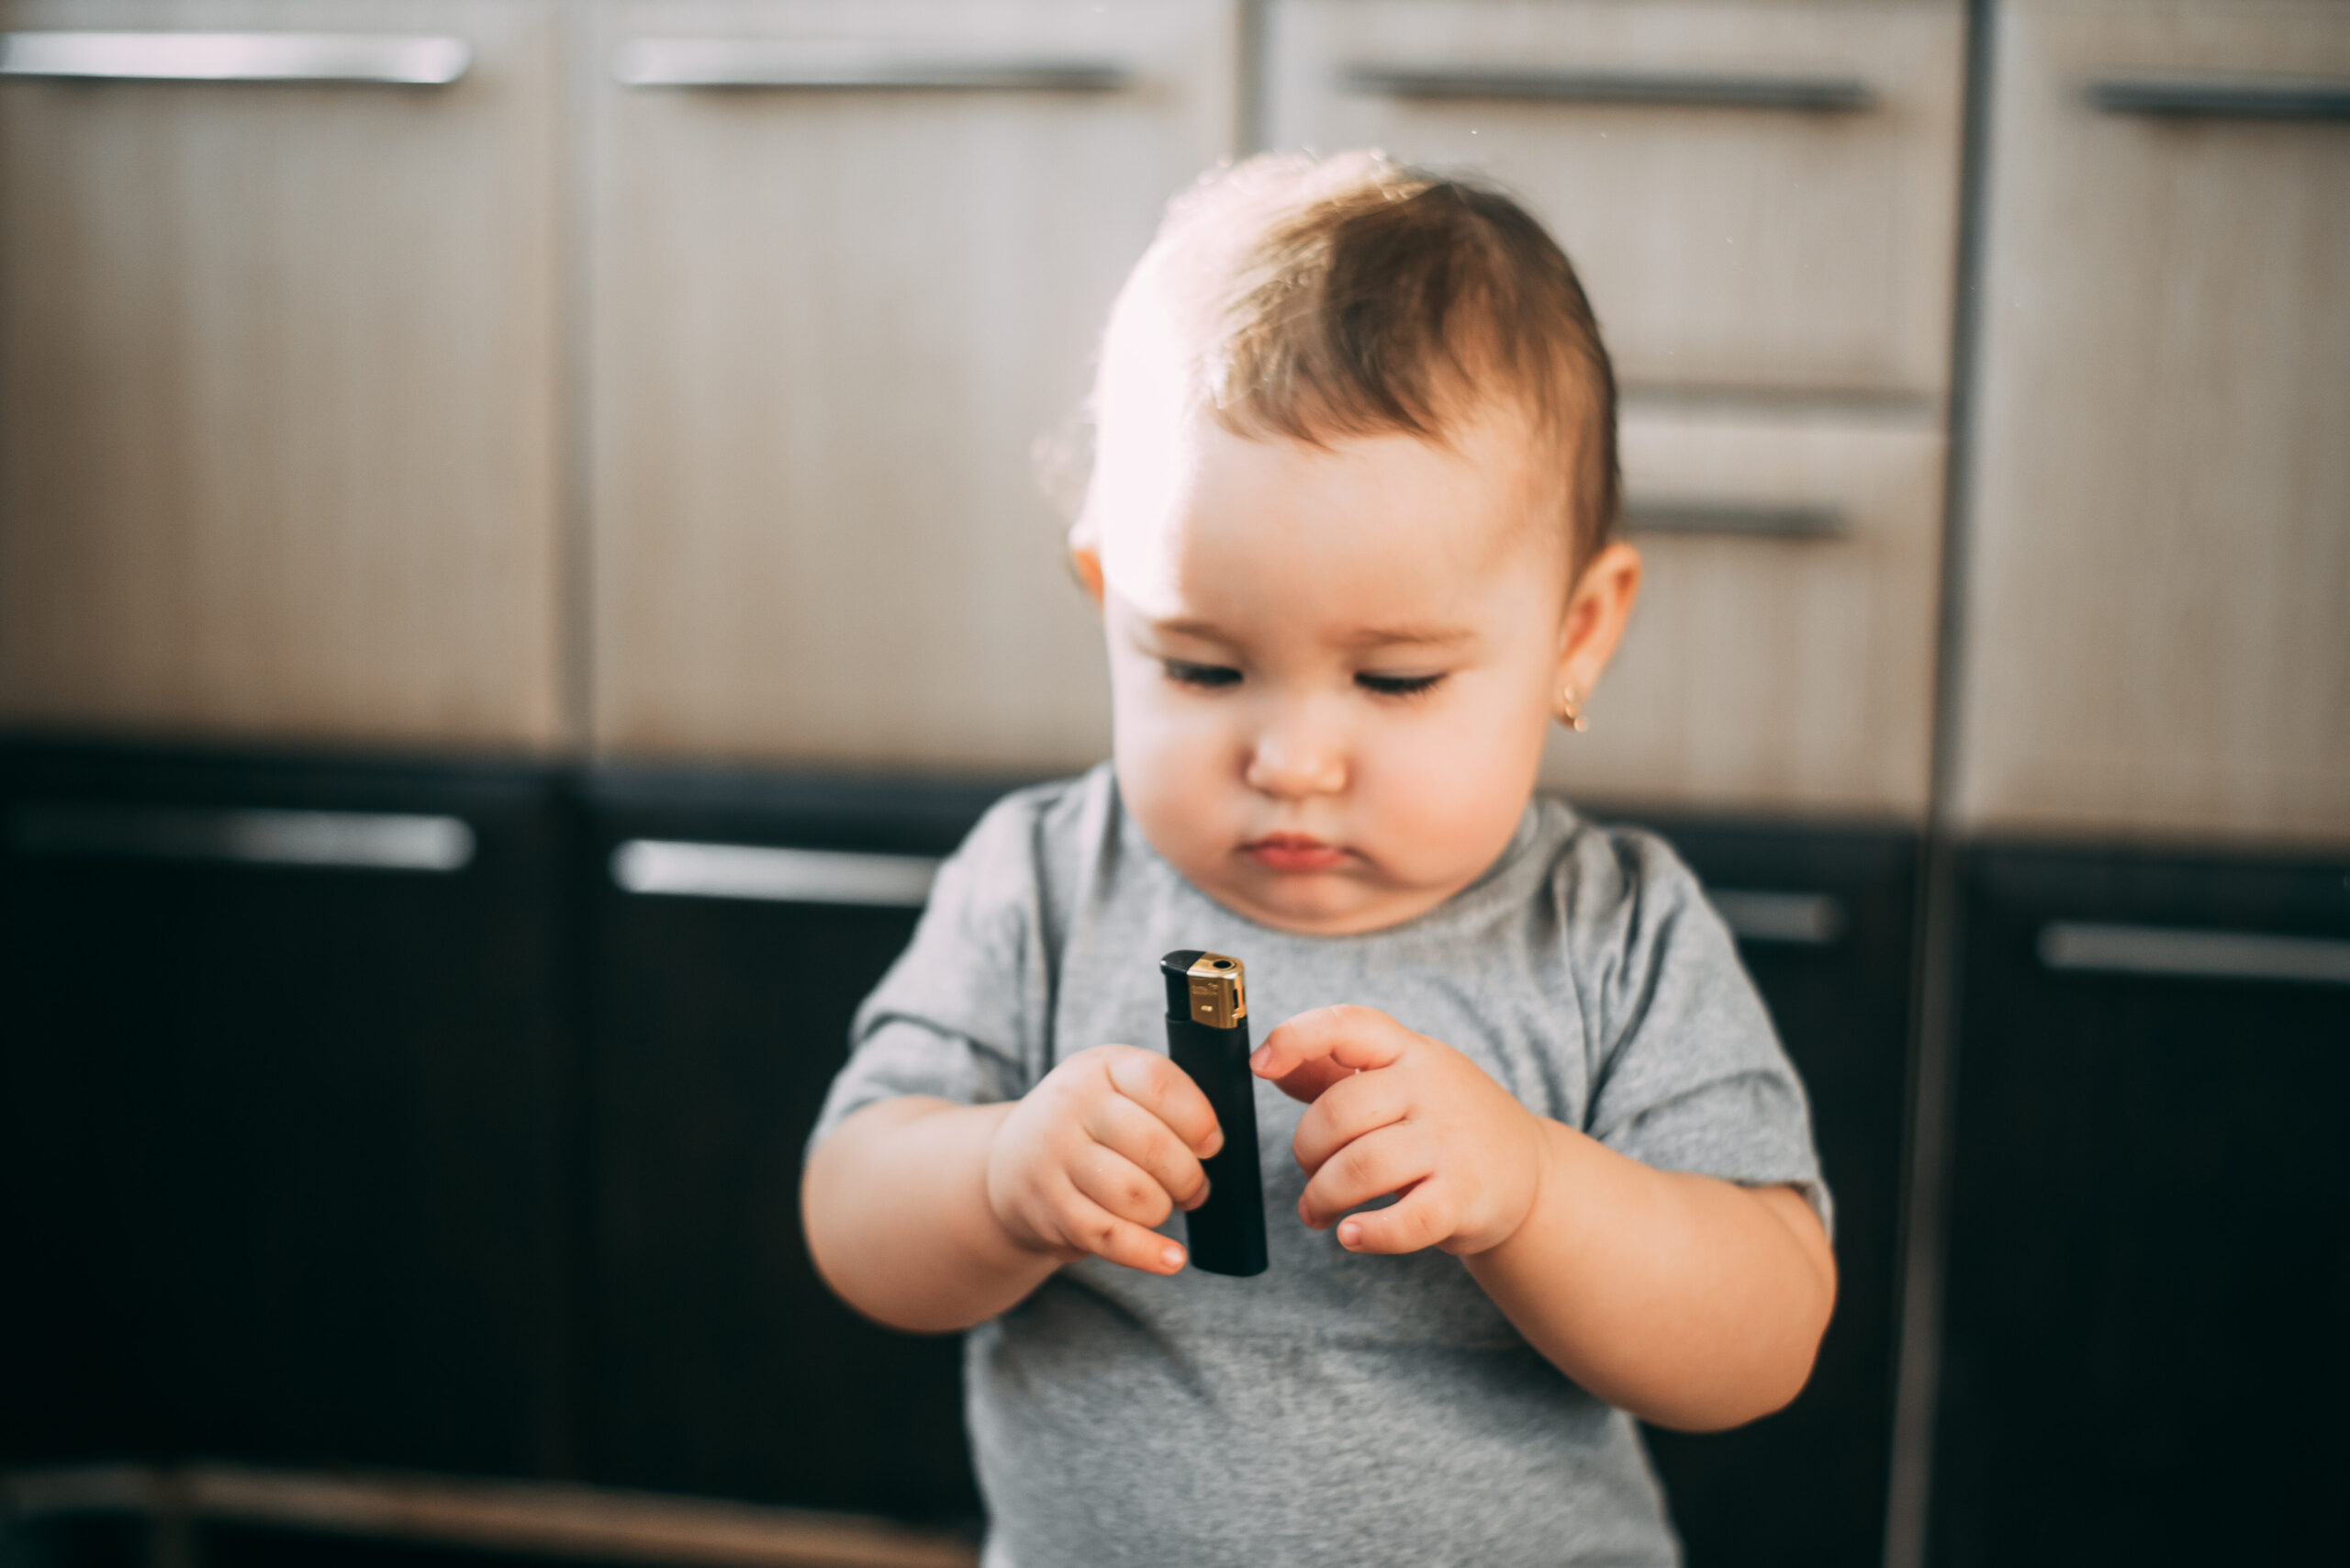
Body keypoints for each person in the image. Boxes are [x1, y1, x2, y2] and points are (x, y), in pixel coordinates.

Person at [800, 151, 1837, 1567]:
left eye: (1396, 680)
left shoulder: (1611, 934)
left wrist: (1533, 1187)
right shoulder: (1040, 884)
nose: (1291, 758)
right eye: (1202, 667)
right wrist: (995, 1175)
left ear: (1577, 635)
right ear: (1110, 601)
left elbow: (1764, 1334)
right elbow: (853, 1217)